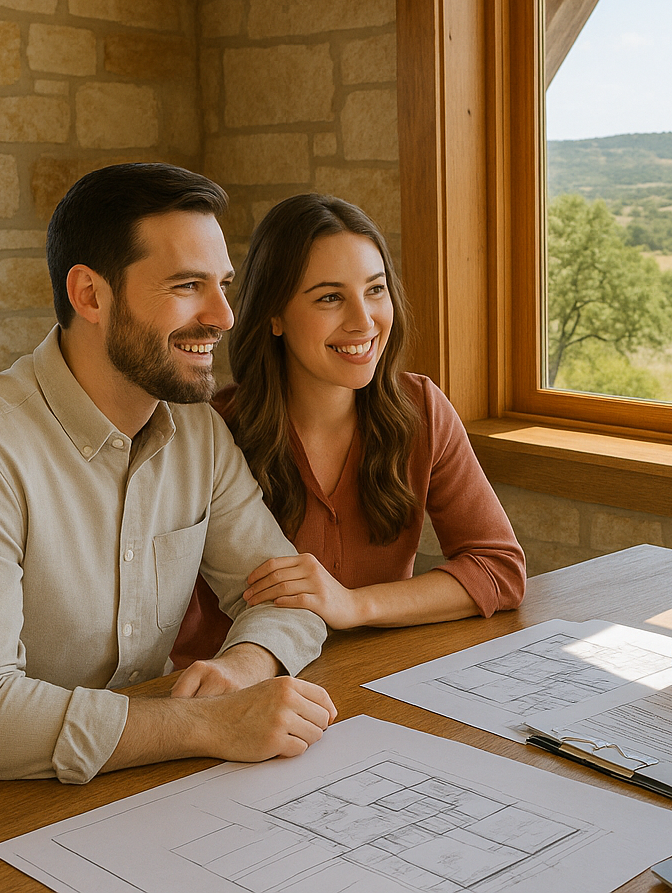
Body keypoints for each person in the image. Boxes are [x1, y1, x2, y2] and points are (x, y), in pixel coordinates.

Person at [0, 164, 335, 785]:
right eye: (187, 286)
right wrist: (207, 724)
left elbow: (293, 600)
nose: (224, 316)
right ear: (90, 295)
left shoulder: (197, 432)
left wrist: (246, 667)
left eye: (223, 285)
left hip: (101, 792)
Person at [170, 194, 525, 666]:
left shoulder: (421, 409)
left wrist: (355, 605)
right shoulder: (210, 432)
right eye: (330, 297)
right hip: (248, 691)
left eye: (375, 290)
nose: (363, 321)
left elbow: (499, 568)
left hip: (379, 680)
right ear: (274, 315)